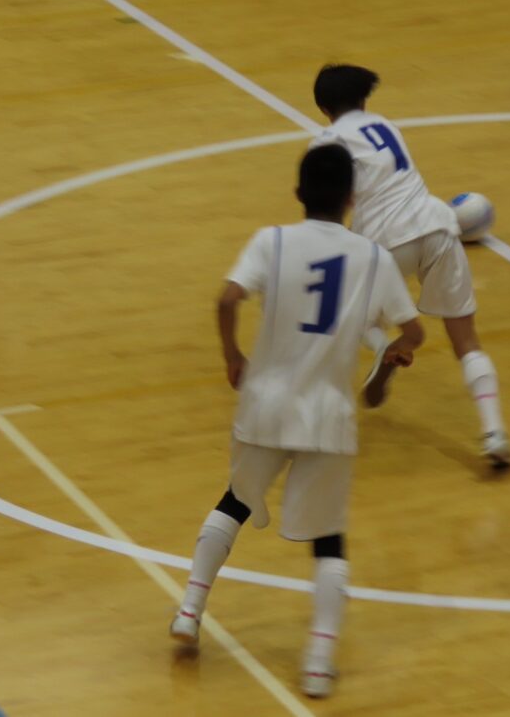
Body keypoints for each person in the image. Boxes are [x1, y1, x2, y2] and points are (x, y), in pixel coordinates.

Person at [169, 145, 424, 698]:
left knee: (233, 503)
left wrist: (232, 356)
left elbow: (227, 299)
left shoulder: (272, 241)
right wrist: (390, 361)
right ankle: (317, 662)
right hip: (328, 417)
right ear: (352, 199)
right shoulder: (373, 259)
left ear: (298, 193)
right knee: (328, 540)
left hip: (265, 404)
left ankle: (189, 609)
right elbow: (414, 331)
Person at [310, 64, 510, 470]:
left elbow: (332, 207)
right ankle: (495, 433)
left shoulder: (326, 143)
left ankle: (385, 349)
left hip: (384, 242)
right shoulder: (385, 124)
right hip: (438, 225)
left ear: (323, 107)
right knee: (467, 342)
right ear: (364, 99)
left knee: (345, 313)